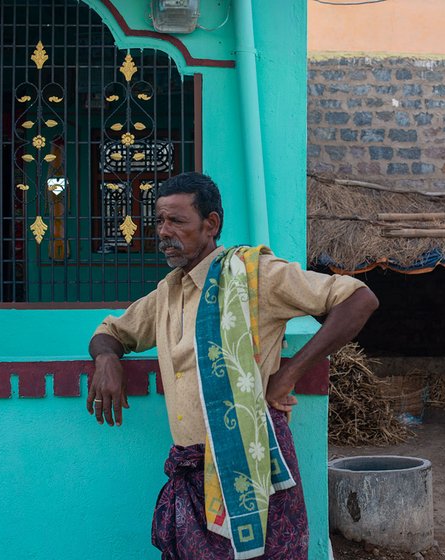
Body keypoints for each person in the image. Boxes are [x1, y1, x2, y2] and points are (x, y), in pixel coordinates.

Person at [87, 172, 378, 559]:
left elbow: (359, 299)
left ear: (212, 224)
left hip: (249, 462)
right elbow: (111, 331)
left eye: (177, 221)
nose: (163, 231)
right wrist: (107, 358)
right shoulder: (168, 292)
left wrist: (289, 375)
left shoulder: (255, 277)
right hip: (190, 471)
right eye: (159, 220)